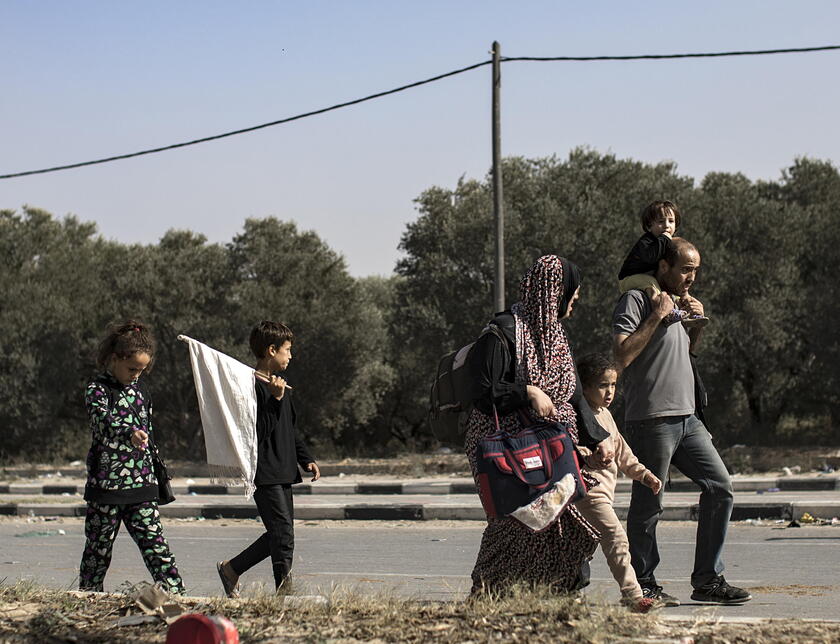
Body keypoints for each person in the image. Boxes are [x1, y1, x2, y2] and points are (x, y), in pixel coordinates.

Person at [613, 237, 751, 606]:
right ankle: (643, 584)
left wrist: (696, 325)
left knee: (721, 487)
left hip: (688, 418)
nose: (691, 277)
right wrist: (657, 315)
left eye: (696, 270)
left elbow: (681, 353)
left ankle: (707, 580)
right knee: (649, 503)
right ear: (663, 267)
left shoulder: (675, 301)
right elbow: (622, 355)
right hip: (651, 419)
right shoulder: (639, 299)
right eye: (685, 269)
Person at [465, 254, 615, 594]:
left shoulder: (556, 337)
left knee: (561, 521)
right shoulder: (502, 331)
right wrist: (526, 391)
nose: (575, 301)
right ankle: (490, 594)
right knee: (515, 522)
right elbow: (482, 390)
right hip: (506, 449)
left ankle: (560, 593)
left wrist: (596, 436)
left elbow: (572, 393)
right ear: (553, 292)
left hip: (551, 446)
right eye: (571, 294)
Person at [79, 321, 185, 594]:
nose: (136, 375)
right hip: (107, 487)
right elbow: (102, 424)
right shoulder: (97, 390)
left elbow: (149, 432)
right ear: (115, 359)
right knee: (97, 552)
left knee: (156, 547)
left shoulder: (141, 392)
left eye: (141, 370)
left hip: (142, 484)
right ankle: (89, 599)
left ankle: (178, 596)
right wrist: (129, 434)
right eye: (132, 369)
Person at [217, 321, 320, 597]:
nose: (291, 355)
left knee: (282, 535)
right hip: (265, 471)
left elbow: (289, 428)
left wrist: (305, 458)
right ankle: (284, 594)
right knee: (282, 534)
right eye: (287, 350)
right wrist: (274, 399)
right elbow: (256, 432)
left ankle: (232, 570)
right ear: (271, 350)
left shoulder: (279, 387)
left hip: (284, 470)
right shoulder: (251, 387)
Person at [573, 353, 662, 613]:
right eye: (602, 385)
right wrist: (589, 457)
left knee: (578, 547)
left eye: (612, 385)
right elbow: (574, 449)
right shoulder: (579, 415)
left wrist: (643, 474)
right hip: (588, 491)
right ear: (585, 387)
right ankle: (633, 595)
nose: (609, 391)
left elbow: (622, 451)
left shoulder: (605, 415)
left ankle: (565, 592)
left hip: (603, 492)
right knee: (616, 537)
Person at [617, 200, 707, 327]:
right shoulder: (647, 242)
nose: (666, 226)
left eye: (671, 221)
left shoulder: (665, 242)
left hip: (648, 277)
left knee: (677, 290)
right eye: (660, 222)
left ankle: (688, 314)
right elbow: (650, 258)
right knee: (652, 285)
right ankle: (664, 311)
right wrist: (664, 239)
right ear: (649, 226)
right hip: (630, 278)